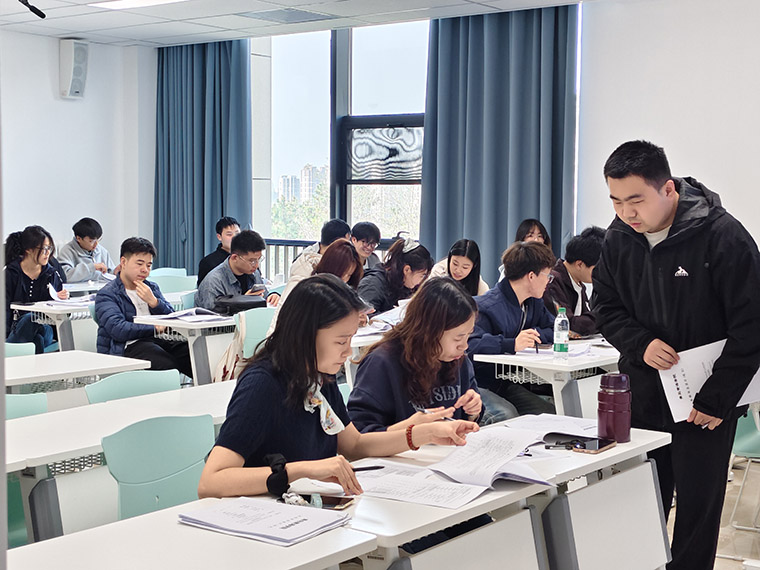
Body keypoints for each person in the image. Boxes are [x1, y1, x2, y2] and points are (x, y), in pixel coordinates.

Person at [592, 140, 760, 570]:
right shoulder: (618, 238)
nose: (626, 212)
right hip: (644, 394)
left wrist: (717, 399)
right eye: (615, 201)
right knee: (641, 501)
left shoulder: (723, 236)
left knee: (697, 512)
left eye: (635, 200)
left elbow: (751, 326)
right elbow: (605, 307)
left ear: (668, 189)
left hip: (704, 404)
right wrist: (640, 343)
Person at [197, 274, 478, 499]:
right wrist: (301, 471)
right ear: (306, 335)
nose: (347, 352)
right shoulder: (263, 384)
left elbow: (354, 445)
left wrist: (422, 433)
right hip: (260, 519)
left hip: (305, 511)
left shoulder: (319, 377)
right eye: (341, 341)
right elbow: (211, 482)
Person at [468, 241, 556, 417]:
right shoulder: (486, 306)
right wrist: (512, 344)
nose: (548, 281)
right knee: (506, 414)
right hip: (477, 384)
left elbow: (555, 329)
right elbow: (470, 345)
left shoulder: (533, 302)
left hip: (505, 383)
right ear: (531, 276)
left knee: (548, 411)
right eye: (547, 275)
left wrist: (532, 336)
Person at [95, 237, 192, 377]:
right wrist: (155, 328)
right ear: (123, 262)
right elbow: (118, 329)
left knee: (195, 355)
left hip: (160, 339)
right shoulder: (107, 294)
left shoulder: (151, 287)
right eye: (139, 264)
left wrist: (155, 302)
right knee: (167, 365)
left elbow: (172, 318)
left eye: (149, 265)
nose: (145, 270)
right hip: (128, 346)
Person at [267, 238, 363, 336]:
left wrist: (355, 317)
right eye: (342, 273)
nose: (344, 279)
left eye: (349, 275)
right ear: (331, 266)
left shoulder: (334, 287)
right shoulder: (304, 286)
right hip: (286, 341)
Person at [5, 226, 69, 353]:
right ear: (28, 249)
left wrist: (63, 298)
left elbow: (62, 311)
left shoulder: (51, 273)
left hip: (46, 328)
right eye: (44, 249)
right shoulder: (11, 273)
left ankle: (13, 353)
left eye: (49, 248)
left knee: (33, 320)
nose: (48, 253)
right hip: (15, 328)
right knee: (36, 337)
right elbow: (4, 309)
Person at [542, 226, 605, 337]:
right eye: (598, 269)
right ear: (579, 264)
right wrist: (606, 316)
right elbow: (567, 324)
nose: (601, 274)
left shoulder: (578, 283)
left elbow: (587, 320)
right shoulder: (552, 282)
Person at [195, 230, 279, 311]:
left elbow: (264, 297)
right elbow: (211, 315)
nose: (256, 265)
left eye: (259, 259)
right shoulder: (214, 282)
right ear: (235, 257)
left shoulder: (254, 273)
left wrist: (272, 296)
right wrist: (243, 302)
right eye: (252, 261)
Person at [358, 235, 433, 314]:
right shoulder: (373, 284)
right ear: (407, 270)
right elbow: (362, 317)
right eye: (422, 275)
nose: (422, 280)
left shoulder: (405, 285)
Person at [57, 217, 117, 282]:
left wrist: (116, 271)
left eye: (98, 240)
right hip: (80, 288)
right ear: (79, 238)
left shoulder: (101, 251)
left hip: (101, 287)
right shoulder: (67, 251)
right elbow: (65, 277)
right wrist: (91, 267)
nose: (96, 244)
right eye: (91, 241)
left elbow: (110, 273)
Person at [197, 217, 241, 286]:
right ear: (219, 237)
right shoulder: (208, 262)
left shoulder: (245, 259)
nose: (234, 237)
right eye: (229, 234)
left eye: (237, 234)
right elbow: (204, 290)